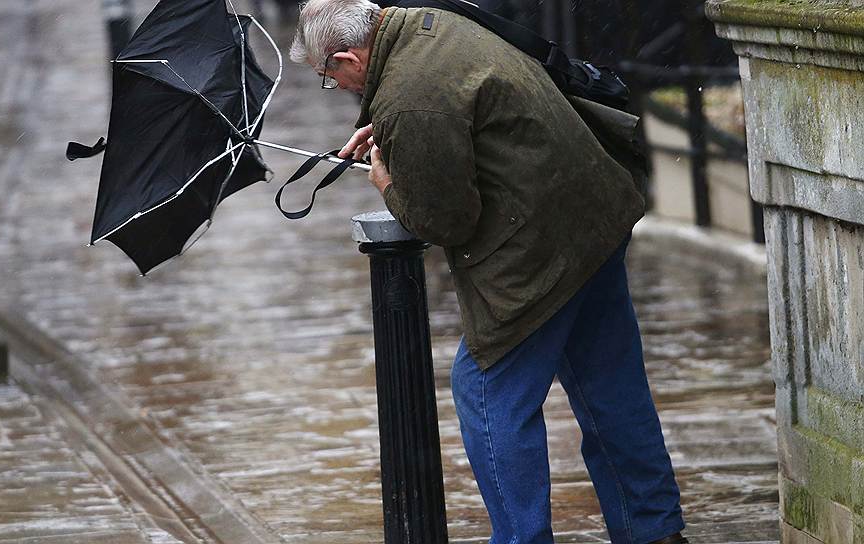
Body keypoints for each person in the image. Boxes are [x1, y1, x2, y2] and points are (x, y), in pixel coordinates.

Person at [290, 1, 688, 542]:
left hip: (540, 247)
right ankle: (654, 530)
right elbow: (459, 115)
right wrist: (389, 130)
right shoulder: (431, 23)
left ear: (347, 58)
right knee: (609, 387)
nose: (333, 86)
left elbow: (445, 218)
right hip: (595, 211)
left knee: (484, 391)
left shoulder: (411, 98)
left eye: (328, 78)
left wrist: (387, 180)